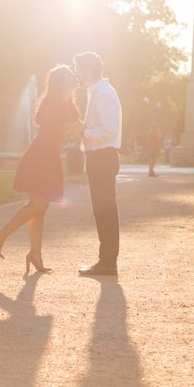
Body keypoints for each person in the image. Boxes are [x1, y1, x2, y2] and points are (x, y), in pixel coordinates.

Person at [0, 65, 82, 273]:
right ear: (62, 81)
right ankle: (0, 236)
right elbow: (50, 128)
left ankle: (35, 253)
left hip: (49, 156)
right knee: (37, 205)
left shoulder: (68, 103)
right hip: (41, 157)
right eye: (71, 75)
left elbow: (71, 129)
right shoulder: (55, 101)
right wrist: (75, 126)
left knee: (40, 207)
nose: (76, 76)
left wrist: (77, 127)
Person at [73, 51, 123, 277]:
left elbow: (108, 130)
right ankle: (107, 261)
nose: (77, 74)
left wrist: (83, 131)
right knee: (104, 211)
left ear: (89, 70)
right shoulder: (99, 92)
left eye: (79, 69)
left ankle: (108, 263)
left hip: (102, 157)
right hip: (101, 158)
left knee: (105, 211)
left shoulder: (102, 94)